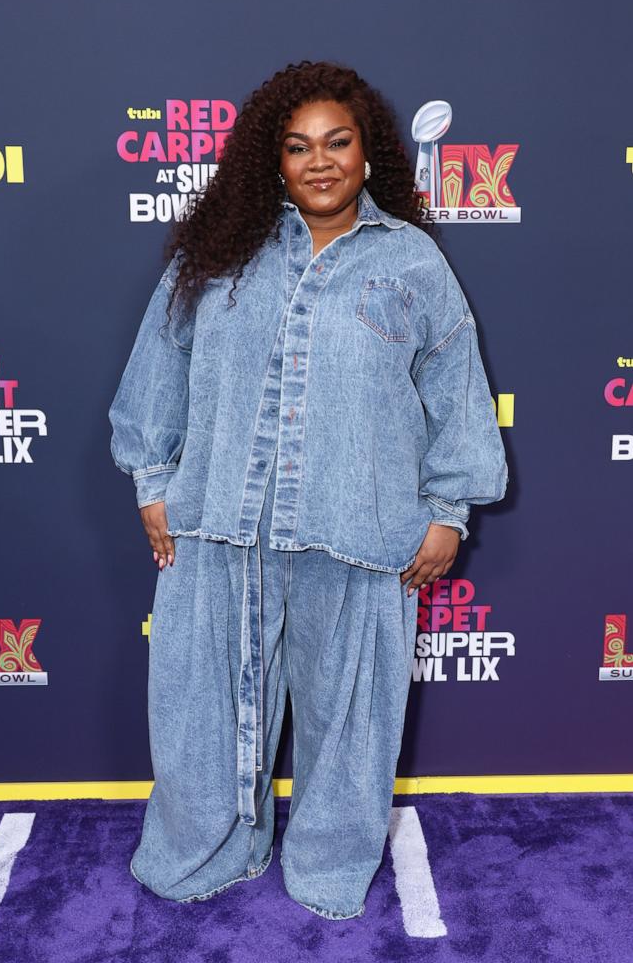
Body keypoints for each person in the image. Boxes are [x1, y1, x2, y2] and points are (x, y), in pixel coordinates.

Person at [108, 59, 508, 920]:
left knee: (350, 727)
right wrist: (151, 479)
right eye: (297, 147)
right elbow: (158, 369)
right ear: (272, 161)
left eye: (337, 142)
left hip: (358, 532)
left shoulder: (412, 263)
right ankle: (202, 852)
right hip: (218, 527)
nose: (319, 161)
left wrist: (448, 509)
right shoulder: (219, 253)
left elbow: (455, 393)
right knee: (200, 714)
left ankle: (327, 870)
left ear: (369, 154)